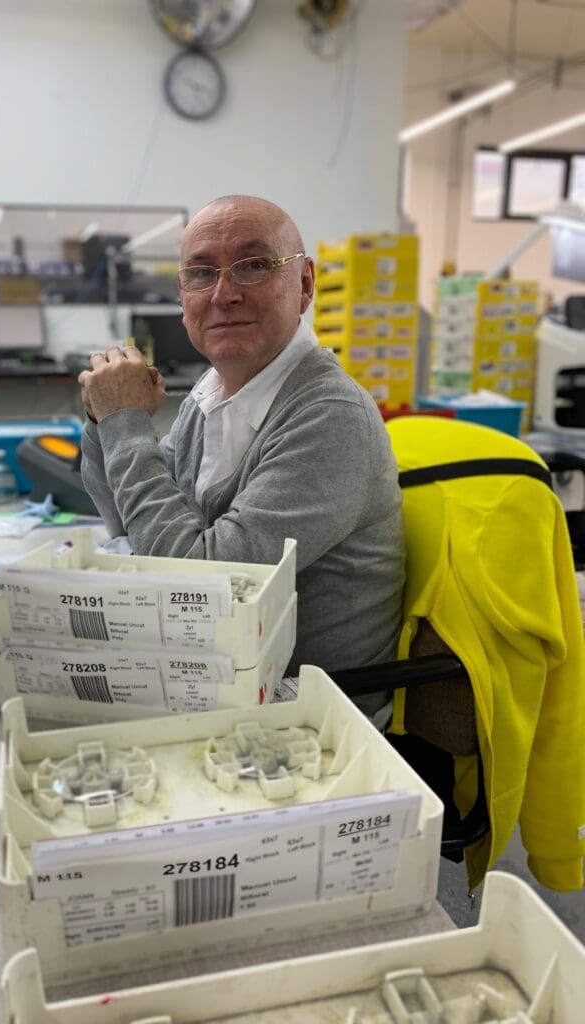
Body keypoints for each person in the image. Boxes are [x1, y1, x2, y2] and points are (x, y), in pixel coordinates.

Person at [78, 195, 405, 718]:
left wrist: (126, 425)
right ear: (183, 296)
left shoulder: (330, 414)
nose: (224, 294)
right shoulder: (212, 394)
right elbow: (128, 522)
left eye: (253, 266)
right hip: (218, 682)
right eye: (201, 274)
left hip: (309, 720)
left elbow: (204, 591)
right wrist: (104, 421)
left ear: (304, 285)